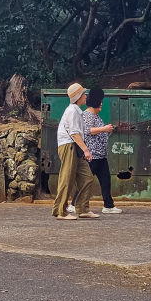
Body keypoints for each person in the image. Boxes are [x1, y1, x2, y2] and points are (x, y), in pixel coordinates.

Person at [52, 82, 98, 220]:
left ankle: (82, 208)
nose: (86, 96)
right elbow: (74, 133)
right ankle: (60, 211)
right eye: (83, 94)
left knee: (87, 178)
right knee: (67, 178)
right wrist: (86, 150)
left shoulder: (77, 111)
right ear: (78, 97)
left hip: (75, 146)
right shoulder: (72, 111)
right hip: (69, 146)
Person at [81, 88, 121, 214]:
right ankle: (73, 203)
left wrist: (105, 130)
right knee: (86, 181)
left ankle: (108, 205)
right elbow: (88, 130)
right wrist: (104, 128)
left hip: (100, 156)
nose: (102, 104)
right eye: (100, 101)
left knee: (105, 180)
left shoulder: (95, 115)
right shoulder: (88, 115)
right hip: (92, 155)